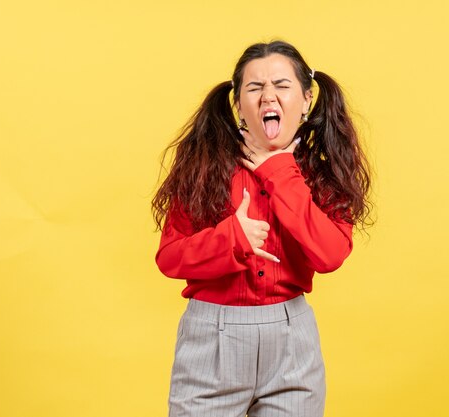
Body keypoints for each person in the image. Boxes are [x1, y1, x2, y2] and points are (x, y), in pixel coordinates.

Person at [152, 40, 372, 417]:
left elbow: (331, 253)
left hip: (291, 344)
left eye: (282, 86)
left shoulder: (321, 170)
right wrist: (231, 239)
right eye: (255, 88)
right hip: (212, 343)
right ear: (239, 104)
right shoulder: (203, 165)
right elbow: (169, 258)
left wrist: (278, 171)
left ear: (306, 99)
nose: (268, 96)